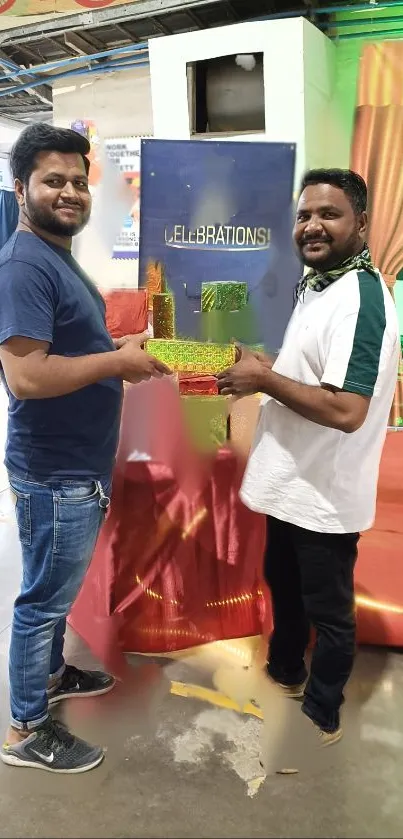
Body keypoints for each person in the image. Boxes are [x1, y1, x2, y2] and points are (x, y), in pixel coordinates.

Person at [0, 123, 170, 774]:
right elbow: (27, 376)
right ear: (22, 189)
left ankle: (51, 677)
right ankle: (25, 727)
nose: (69, 191)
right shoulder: (21, 266)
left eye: (76, 179)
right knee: (41, 600)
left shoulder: (54, 254)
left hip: (77, 461)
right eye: (53, 180)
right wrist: (113, 364)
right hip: (55, 469)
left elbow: (74, 347)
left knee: (54, 593)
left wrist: (121, 351)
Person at [217, 169, 399, 766]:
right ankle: (287, 668)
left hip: (324, 494)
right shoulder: (319, 283)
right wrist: (269, 366)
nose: (312, 226)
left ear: (362, 224)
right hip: (288, 483)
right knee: (284, 587)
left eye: (329, 214)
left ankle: (322, 709)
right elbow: (314, 372)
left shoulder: (362, 298)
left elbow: (347, 410)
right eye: (304, 216)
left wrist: (264, 378)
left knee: (330, 611)